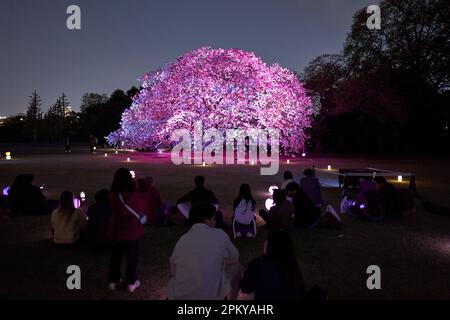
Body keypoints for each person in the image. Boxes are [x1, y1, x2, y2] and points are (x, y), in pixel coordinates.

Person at [168, 204, 240, 300]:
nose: (215, 222)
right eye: (213, 219)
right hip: (212, 296)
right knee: (236, 266)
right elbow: (234, 257)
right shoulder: (219, 234)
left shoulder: (183, 239)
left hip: (179, 296)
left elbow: (173, 270)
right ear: (206, 220)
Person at [108, 168, 149, 293]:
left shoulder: (112, 195)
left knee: (115, 257)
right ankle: (131, 282)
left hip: (116, 231)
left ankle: (113, 281)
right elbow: (141, 207)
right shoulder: (135, 195)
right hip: (132, 232)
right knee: (132, 258)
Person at [240, 230, 306, 300]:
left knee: (242, 296)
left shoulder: (259, 263)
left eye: (267, 241)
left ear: (269, 244)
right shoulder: (292, 266)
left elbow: (245, 288)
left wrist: (243, 275)